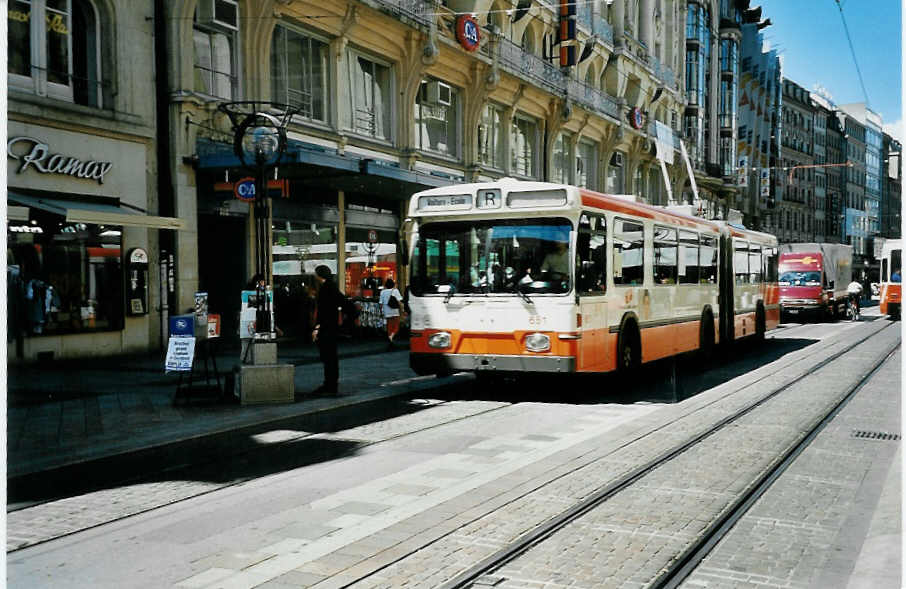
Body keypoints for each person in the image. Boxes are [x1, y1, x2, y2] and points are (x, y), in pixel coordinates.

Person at [311, 265, 358, 396]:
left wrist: (317, 327)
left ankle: (330, 385)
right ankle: (330, 384)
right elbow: (343, 303)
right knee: (329, 357)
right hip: (329, 327)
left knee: (329, 357)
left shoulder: (327, 288)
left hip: (327, 328)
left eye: (316, 274)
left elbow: (324, 311)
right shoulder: (330, 287)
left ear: (320, 275)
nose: (315, 276)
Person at [379, 278, 404, 350]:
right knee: (396, 326)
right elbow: (399, 301)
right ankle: (391, 337)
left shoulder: (382, 292)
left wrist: (381, 311)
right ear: (393, 284)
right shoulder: (395, 291)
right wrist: (402, 310)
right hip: (395, 311)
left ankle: (391, 340)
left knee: (389, 326)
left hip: (387, 311)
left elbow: (380, 303)